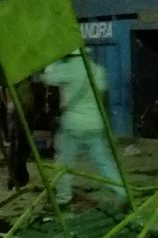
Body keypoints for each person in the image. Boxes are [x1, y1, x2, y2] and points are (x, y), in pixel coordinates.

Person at [41, 49, 125, 207]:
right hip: (95, 122)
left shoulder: (67, 68)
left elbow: (47, 77)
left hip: (73, 123)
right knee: (103, 162)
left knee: (64, 163)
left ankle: (63, 198)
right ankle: (121, 191)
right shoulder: (97, 69)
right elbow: (102, 97)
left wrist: (54, 59)